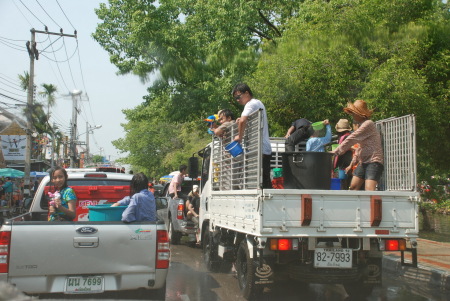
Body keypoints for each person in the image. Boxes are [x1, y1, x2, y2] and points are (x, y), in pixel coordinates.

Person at [332, 99, 384, 191]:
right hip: (363, 162)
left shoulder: (368, 124)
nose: (352, 115)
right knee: (353, 187)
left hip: (373, 161)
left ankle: (374, 205)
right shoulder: (361, 125)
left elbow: (352, 138)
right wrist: (352, 164)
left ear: (360, 114)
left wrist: (336, 151)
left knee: (369, 190)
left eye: (354, 113)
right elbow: (359, 148)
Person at [232, 83, 272, 189]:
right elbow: (244, 120)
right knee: (264, 181)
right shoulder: (257, 103)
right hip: (262, 149)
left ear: (246, 93)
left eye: (238, 96)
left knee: (262, 184)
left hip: (260, 150)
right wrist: (240, 120)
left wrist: (239, 137)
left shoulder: (250, 104)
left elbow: (243, 120)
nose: (237, 100)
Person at [334, 119, 354, 189]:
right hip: (351, 164)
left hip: (343, 165)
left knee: (343, 186)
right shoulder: (351, 135)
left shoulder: (343, 138)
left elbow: (340, 151)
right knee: (350, 185)